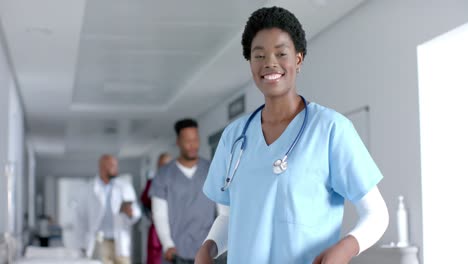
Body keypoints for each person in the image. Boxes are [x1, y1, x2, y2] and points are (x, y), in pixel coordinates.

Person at [196, 6, 389, 264]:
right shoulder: (235, 136)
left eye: (281, 53)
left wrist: (345, 248)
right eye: (259, 55)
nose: (269, 63)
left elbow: (377, 214)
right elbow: (232, 215)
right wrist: (209, 246)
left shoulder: (331, 129)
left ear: (298, 59)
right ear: (251, 63)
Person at [149, 119, 216, 264]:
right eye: (187, 140)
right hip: (176, 253)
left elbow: (224, 210)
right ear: (178, 142)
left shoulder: (213, 170)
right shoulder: (163, 175)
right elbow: (159, 214)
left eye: (195, 140)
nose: (193, 145)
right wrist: (168, 245)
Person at [75, 154, 141, 264]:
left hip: (120, 239)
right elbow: (80, 218)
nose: (116, 168)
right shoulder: (89, 189)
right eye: (112, 165)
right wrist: (81, 243)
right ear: (102, 167)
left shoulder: (125, 187)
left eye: (116, 165)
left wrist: (131, 213)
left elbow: (136, 212)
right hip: (100, 240)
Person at [140, 152, 173, 264]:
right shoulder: (152, 183)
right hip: (156, 231)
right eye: (161, 165)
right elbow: (144, 204)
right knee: (155, 259)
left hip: (176, 229)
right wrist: (151, 217)